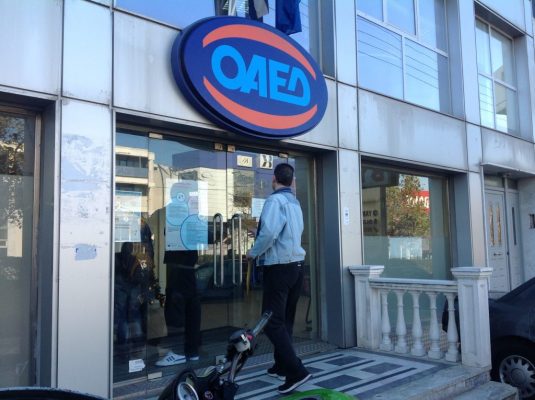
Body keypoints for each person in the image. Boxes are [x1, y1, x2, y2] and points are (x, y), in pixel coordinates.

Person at [246, 163, 311, 394]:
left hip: (279, 267)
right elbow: (284, 232)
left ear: (274, 179)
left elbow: (271, 233)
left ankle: (297, 371)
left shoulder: (274, 201)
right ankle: (281, 365)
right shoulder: (295, 203)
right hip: (296, 266)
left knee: (272, 322)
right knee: (286, 321)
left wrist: (253, 252)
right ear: (292, 181)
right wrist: (261, 233)